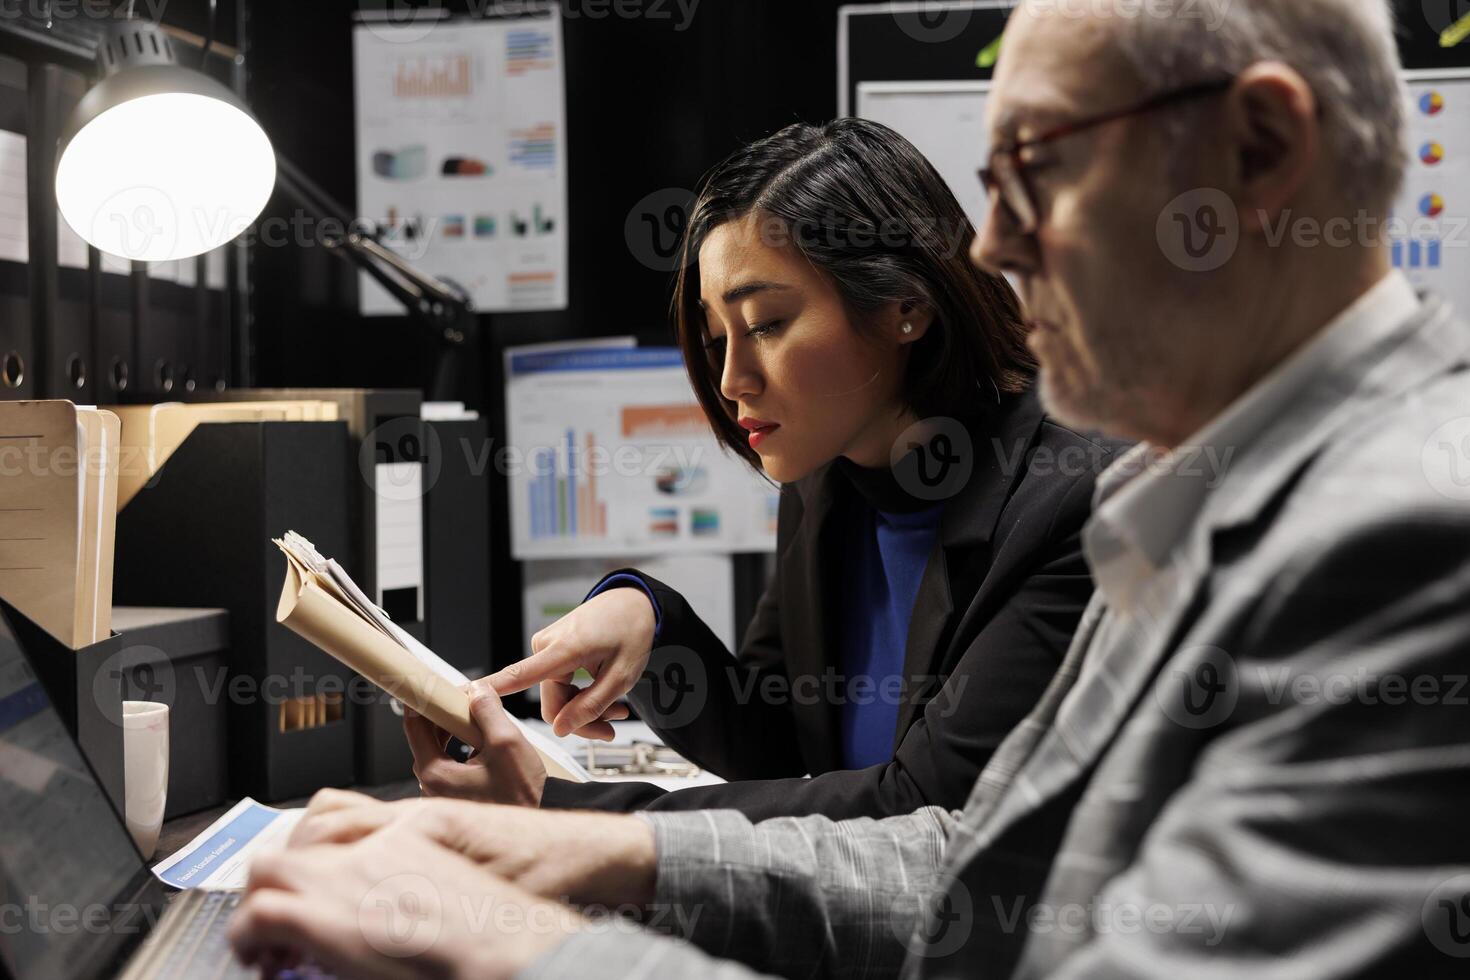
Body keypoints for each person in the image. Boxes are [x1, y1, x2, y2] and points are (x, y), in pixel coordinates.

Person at [229, 1, 1470, 976]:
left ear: (1258, 149)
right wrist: (587, 845)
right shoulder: (1195, 492)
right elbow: (960, 866)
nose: (993, 244)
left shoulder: (1412, 537)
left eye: (1033, 167)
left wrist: (521, 932)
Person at [404, 117, 1119, 822]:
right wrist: (649, 617)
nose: (731, 379)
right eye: (718, 337)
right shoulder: (826, 476)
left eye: (768, 324)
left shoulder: (1070, 500)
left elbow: (920, 808)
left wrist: (564, 812)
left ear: (908, 306)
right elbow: (773, 744)